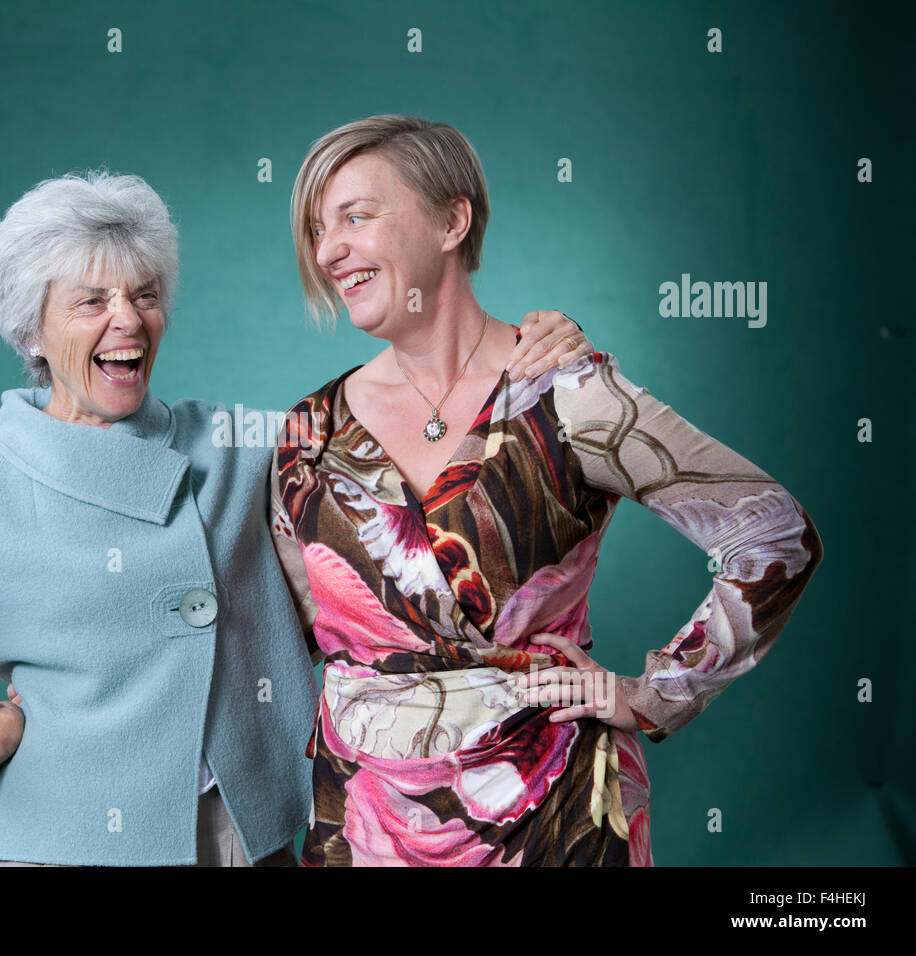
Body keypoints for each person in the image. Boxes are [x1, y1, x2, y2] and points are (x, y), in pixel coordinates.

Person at [0, 169, 590, 866]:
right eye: (90, 300)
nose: (126, 319)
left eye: (145, 295)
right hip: (67, 846)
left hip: (261, 838)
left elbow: (403, 428)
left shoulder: (244, 444)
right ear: (32, 327)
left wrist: (520, 351)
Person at [269, 115, 824, 866]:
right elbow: (279, 635)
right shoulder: (309, 436)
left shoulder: (568, 395)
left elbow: (773, 535)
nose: (328, 251)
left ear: (451, 221)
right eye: (316, 229)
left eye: (356, 217)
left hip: (558, 819)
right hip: (365, 828)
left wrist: (655, 694)